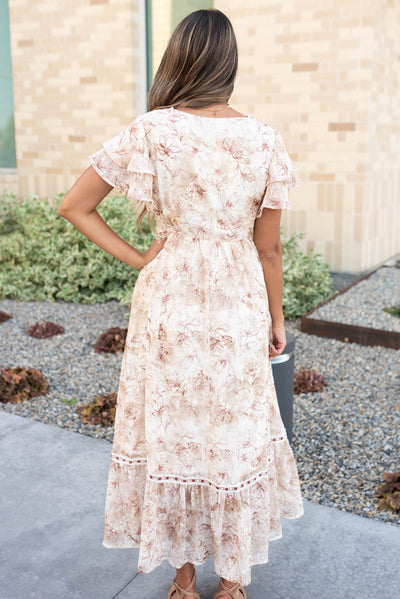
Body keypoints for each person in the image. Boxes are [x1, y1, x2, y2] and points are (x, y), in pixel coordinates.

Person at [58, 8, 304, 599]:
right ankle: (234, 583)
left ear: (180, 59)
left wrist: (141, 258)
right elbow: (267, 251)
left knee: (173, 429)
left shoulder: (152, 130)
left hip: (167, 299)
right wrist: (276, 319)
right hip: (236, 301)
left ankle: (184, 580)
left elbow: (75, 206)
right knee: (233, 431)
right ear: (229, 64)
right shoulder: (265, 141)